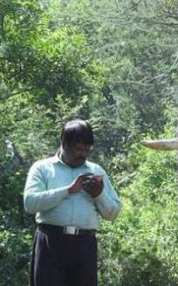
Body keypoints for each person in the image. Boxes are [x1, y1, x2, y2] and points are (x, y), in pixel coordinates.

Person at [23, 119, 122, 286]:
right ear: (63, 143)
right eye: (78, 149)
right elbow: (30, 204)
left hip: (84, 246)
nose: (82, 154)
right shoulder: (42, 168)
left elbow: (112, 213)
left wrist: (99, 194)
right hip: (50, 242)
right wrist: (68, 190)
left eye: (87, 150)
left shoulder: (96, 171)